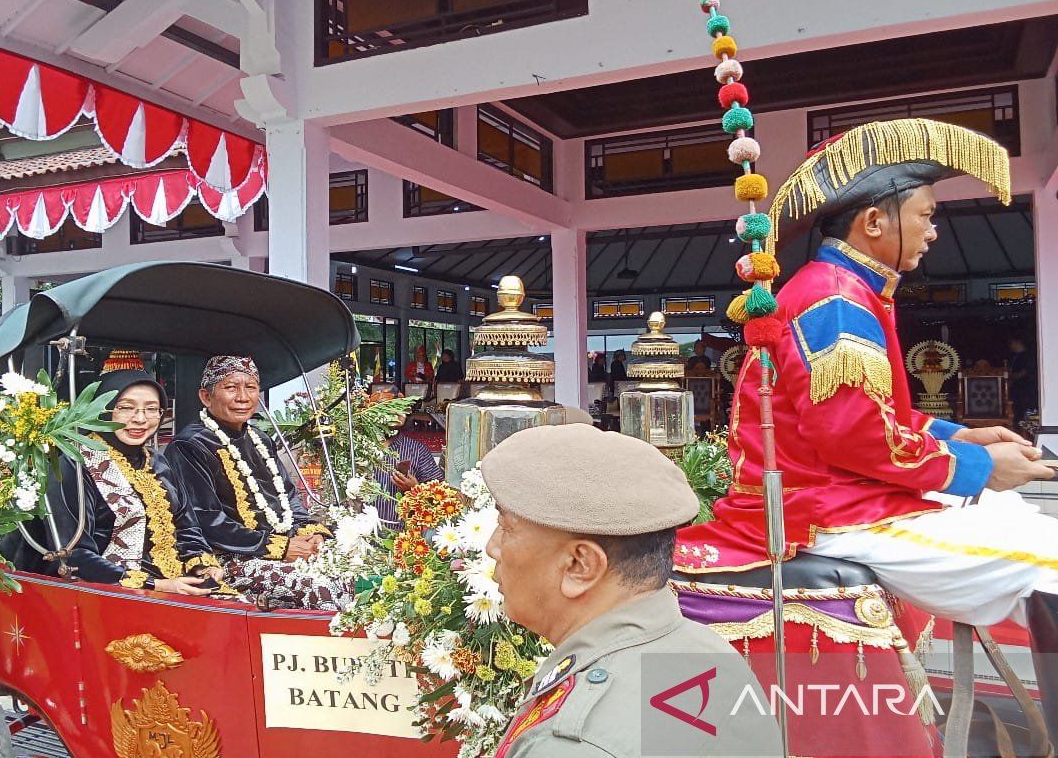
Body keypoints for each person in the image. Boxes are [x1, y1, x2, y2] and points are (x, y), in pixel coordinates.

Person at [674, 119, 1058, 737]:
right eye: (927, 215)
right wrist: (983, 472)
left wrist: (964, 438)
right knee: (1051, 559)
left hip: (845, 500)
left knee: (1028, 527)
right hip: (826, 515)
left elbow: (876, 416)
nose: (934, 231)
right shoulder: (836, 300)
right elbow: (855, 438)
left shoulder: (846, 289)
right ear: (875, 223)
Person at [483, 424, 779, 757]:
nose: (492, 547)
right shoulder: (708, 652)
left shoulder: (573, 745)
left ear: (581, 565)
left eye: (506, 528)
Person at [6, 368, 225, 595]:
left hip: (176, 582)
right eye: (126, 408)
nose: (140, 419)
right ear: (103, 409)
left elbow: (187, 527)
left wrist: (202, 564)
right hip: (108, 592)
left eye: (151, 409)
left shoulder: (157, 461)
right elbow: (73, 553)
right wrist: (157, 585)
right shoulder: (75, 465)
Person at [163, 356, 349, 610]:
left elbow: (288, 496)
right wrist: (281, 548)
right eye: (231, 388)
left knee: (356, 568)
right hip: (226, 558)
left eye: (250, 387)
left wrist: (311, 534)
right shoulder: (190, 445)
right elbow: (206, 520)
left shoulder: (259, 438)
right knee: (317, 586)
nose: (242, 397)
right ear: (206, 397)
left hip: (282, 546)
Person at [369, 390, 444, 527]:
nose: (400, 413)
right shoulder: (359, 449)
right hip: (362, 536)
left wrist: (415, 489)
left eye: (403, 408)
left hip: (404, 540)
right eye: (393, 408)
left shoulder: (417, 450)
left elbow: (440, 499)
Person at [1008, 336, 1038, 425]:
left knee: (1028, 410)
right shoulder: (1015, 356)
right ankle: (1020, 429)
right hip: (1017, 389)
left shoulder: (1028, 356)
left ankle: (1029, 430)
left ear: (1017, 342)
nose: (1010, 346)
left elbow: (1023, 372)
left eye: (1011, 343)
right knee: (1017, 410)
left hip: (1027, 389)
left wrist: (1010, 376)